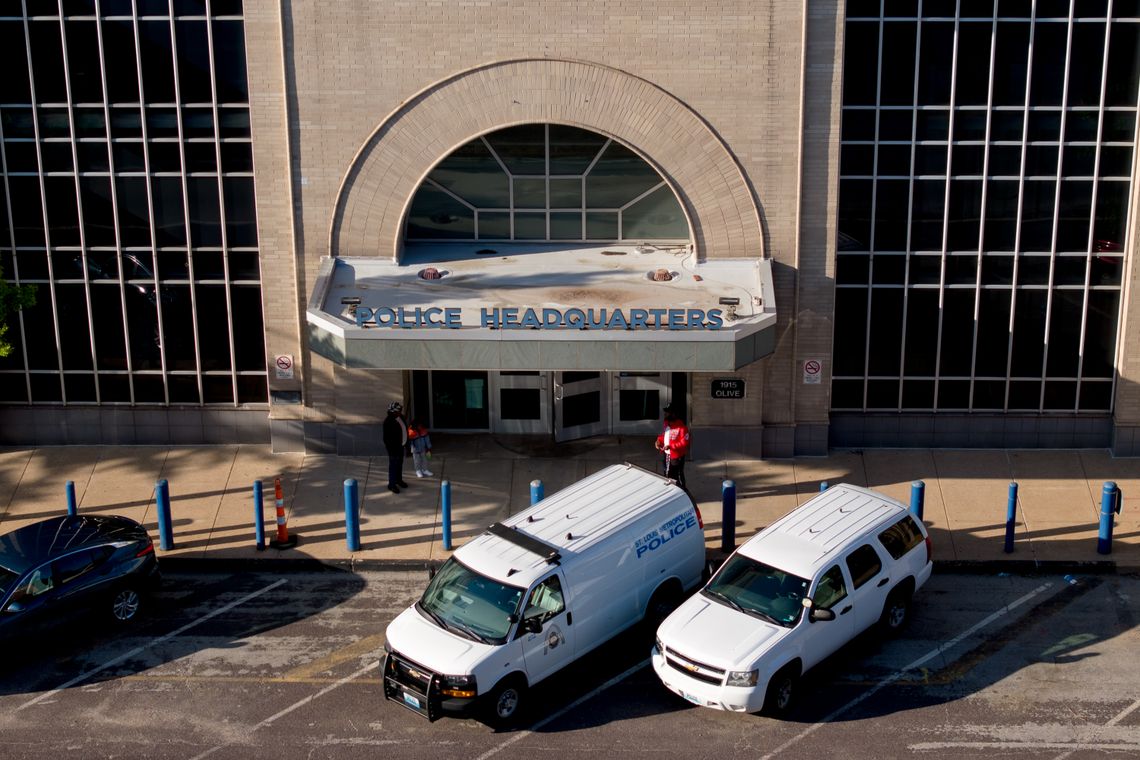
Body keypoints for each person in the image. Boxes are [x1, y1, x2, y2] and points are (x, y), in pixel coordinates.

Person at [655, 407, 690, 488]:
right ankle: (670, 490)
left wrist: (671, 446)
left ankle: (683, 491)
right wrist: (658, 441)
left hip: (677, 456)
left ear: (673, 414)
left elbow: (684, 442)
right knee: (667, 473)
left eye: (667, 413)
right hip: (667, 454)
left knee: (677, 475)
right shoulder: (666, 423)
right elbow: (664, 436)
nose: (664, 414)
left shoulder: (682, 427)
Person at [383, 401, 409, 493]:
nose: (401, 411)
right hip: (394, 449)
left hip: (401, 446)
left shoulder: (400, 417)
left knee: (399, 465)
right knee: (393, 466)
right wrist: (391, 450)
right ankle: (392, 485)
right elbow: (386, 439)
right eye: (399, 410)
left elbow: (404, 430)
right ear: (393, 411)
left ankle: (399, 480)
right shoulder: (388, 422)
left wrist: (406, 444)